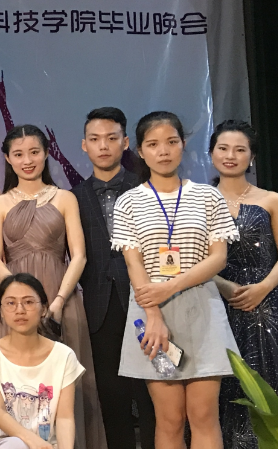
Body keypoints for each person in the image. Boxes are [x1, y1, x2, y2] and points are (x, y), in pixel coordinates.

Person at [112, 111, 240, 448]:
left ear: (183, 144)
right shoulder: (128, 202)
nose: (163, 151)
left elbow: (218, 258)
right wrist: (154, 315)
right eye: (153, 144)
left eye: (171, 142)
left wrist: (170, 286)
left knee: (203, 415)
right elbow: (134, 264)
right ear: (140, 151)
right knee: (169, 419)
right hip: (149, 312)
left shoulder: (208, 196)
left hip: (202, 307)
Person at [0, 124, 106, 448]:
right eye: (19, 154)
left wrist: (57, 301)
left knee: (67, 383)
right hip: (14, 302)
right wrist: (19, 299)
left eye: (34, 152)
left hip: (60, 297)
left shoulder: (65, 198)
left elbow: (78, 256)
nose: (27, 160)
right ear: (8, 158)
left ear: (46, 153)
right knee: (14, 384)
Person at [70, 108, 155, 449]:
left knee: (152, 391)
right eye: (95, 139)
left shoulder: (147, 188)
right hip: (98, 305)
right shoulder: (73, 196)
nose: (103, 146)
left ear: (126, 142)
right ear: (84, 145)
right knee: (111, 395)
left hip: (148, 301)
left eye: (111, 138)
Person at [211, 120, 276, 449]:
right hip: (215, 305)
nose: (230, 155)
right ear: (211, 154)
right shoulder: (199, 202)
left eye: (239, 149)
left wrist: (263, 287)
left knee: (267, 381)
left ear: (252, 157)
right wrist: (222, 286)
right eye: (223, 148)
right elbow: (190, 260)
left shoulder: (271, 199)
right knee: (222, 388)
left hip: (267, 305)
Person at [0, 274, 83, 449]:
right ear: (1, 311)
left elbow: (65, 418)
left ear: (44, 309)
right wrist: (33, 442)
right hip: (2, 443)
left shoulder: (64, 356)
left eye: (28, 302)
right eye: (11, 303)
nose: (20, 310)